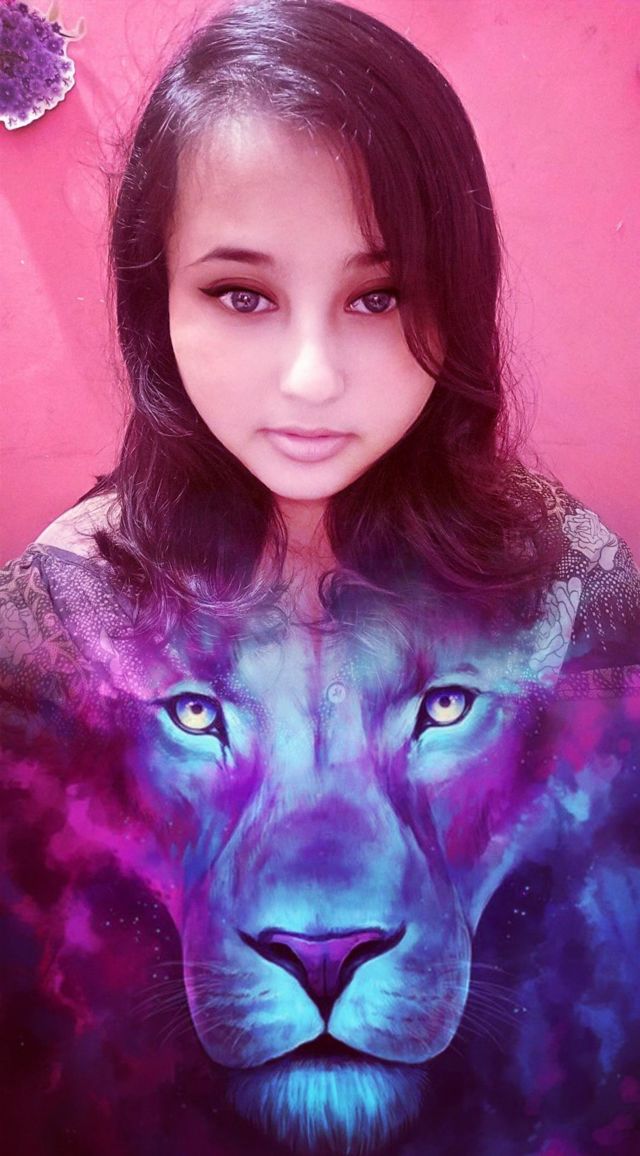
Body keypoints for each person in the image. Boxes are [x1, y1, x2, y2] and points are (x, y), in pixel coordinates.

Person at [1, 3, 639, 1155]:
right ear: (157, 300)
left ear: (457, 297)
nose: (309, 379)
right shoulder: (57, 613)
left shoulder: (566, 581)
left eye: (377, 296)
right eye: (241, 294)